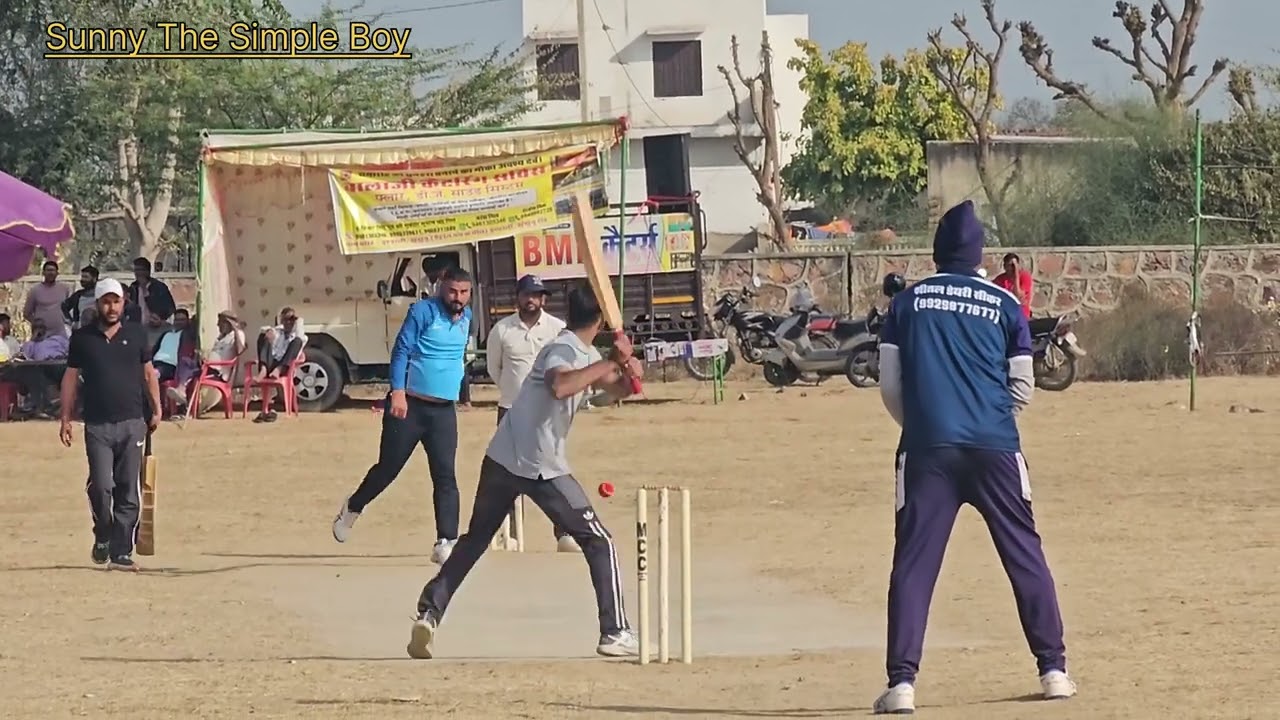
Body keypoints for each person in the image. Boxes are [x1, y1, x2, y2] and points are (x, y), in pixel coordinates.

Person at [872, 201, 1074, 714]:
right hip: (996, 449)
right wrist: (988, 418)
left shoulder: (907, 304)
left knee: (914, 565)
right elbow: (1023, 387)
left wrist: (925, 425)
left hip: (926, 451)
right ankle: (1053, 671)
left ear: (938, 252)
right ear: (980, 253)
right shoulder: (1006, 305)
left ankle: (902, 685)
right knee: (1024, 554)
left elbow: (890, 386)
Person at [403, 283, 643, 660]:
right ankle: (615, 631)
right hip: (539, 464)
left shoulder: (586, 352)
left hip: (503, 457)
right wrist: (613, 361)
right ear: (600, 318)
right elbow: (562, 385)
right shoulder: (562, 348)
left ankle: (429, 612)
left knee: (475, 541)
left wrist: (628, 376)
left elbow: (609, 391)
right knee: (600, 542)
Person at [332, 267, 472, 564]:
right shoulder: (423, 312)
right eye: (452, 291)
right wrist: (398, 391)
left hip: (443, 410)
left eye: (463, 292)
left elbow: (455, 356)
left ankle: (446, 539)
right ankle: (353, 506)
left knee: (445, 475)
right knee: (388, 469)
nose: (457, 298)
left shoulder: (467, 318)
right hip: (409, 406)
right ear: (441, 288)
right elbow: (401, 351)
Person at [59, 278, 161, 571]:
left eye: (116, 301)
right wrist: (65, 417)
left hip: (132, 421)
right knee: (102, 486)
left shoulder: (136, 334)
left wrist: (156, 408)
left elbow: (148, 373)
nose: (112, 307)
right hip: (97, 425)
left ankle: (121, 551)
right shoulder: (82, 338)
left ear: (123, 303)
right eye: (106, 301)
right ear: (98, 304)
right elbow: (70, 378)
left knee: (129, 488)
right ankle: (102, 531)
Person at [486, 274, 574, 551]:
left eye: (537, 295)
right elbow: (494, 369)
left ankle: (564, 533)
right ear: (518, 297)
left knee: (552, 469)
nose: (532, 300)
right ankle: (508, 534)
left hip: (546, 412)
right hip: (511, 409)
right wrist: (515, 394)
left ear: (543, 299)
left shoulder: (557, 329)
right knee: (508, 472)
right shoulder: (502, 330)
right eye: (527, 294)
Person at [251, 307, 306, 423]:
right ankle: (264, 370)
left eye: (291, 320)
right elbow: (262, 329)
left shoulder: (298, 335)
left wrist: (298, 320)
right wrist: (269, 332)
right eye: (285, 320)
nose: (288, 322)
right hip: (271, 363)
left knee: (297, 342)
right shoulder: (278, 331)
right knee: (263, 337)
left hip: (285, 366)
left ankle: (277, 369)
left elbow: (300, 337)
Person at [124, 257, 176, 337]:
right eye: (136, 270)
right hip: (137, 329)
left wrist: (160, 319)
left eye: (140, 270)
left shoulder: (159, 287)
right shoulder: (133, 287)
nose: (138, 273)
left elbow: (170, 308)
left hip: (155, 328)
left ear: (147, 271)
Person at [24, 259, 70, 336]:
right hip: (41, 335)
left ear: (57, 273)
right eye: (48, 270)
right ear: (43, 273)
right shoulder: (35, 290)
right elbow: (27, 313)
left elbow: (68, 310)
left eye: (53, 270)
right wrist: (37, 324)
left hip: (60, 334)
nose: (51, 273)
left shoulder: (64, 289)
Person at [992, 252, 1033, 319]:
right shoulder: (999, 279)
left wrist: (1016, 275)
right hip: (1006, 315)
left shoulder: (1024, 277)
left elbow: (1018, 296)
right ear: (1004, 266)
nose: (1011, 268)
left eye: (1013, 265)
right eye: (1009, 265)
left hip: (1021, 315)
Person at [61, 265, 100, 330]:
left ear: (94, 279)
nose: (83, 280)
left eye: (86, 277)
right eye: (82, 277)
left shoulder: (101, 294)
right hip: (80, 332)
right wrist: (72, 322)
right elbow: (64, 307)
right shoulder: (78, 295)